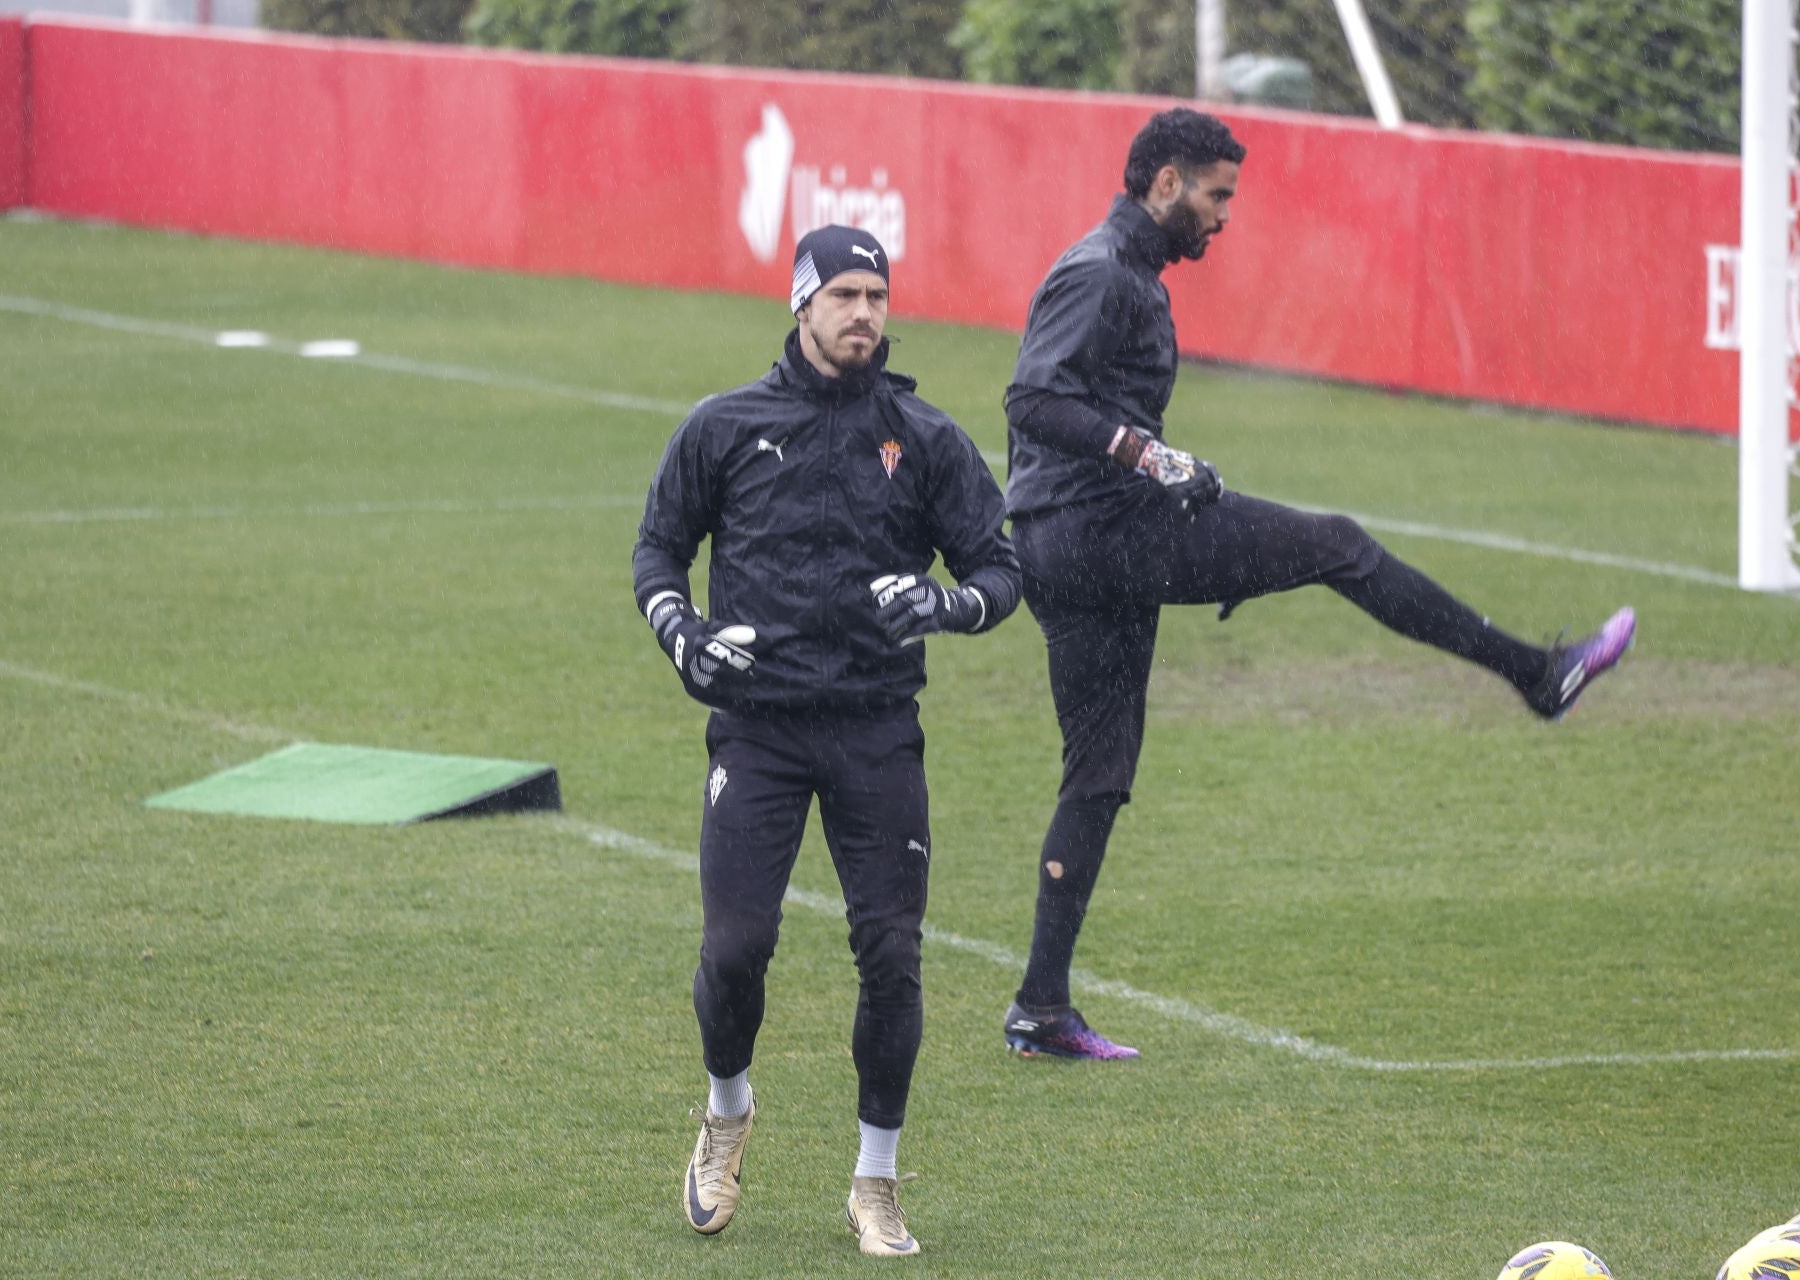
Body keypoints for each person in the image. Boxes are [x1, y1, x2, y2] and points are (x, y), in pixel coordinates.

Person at [998, 106, 1636, 1061]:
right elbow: (1032, 400)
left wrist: (1152, 461)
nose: (1224, 217)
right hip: (1098, 534)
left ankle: (1041, 1008)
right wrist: (1150, 458)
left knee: (1097, 772)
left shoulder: (1124, 270)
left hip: (1067, 545)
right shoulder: (1101, 273)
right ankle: (1536, 675)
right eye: (1216, 196)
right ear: (1164, 184)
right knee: (1339, 544)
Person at [633, 224, 1022, 1256]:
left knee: (891, 954)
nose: (865, 314)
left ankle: (876, 1181)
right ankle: (726, 1110)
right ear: (801, 305)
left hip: (877, 730)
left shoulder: (925, 436)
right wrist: (685, 634)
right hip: (758, 730)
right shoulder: (724, 425)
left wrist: (948, 605)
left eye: (878, 296)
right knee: (735, 949)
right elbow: (658, 552)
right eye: (844, 295)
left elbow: (1001, 570)